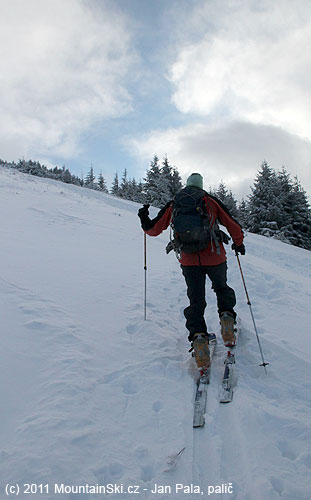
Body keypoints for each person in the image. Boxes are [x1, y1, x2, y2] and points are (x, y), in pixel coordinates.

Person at [138, 173, 245, 371]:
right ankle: (227, 321)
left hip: (188, 260)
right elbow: (233, 225)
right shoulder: (210, 201)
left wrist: (144, 217)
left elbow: (153, 230)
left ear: (187, 185)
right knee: (222, 288)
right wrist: (238, 243)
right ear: (201, 185)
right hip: (215, 255)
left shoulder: (175, 203)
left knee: (196, 300)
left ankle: (199, 341)